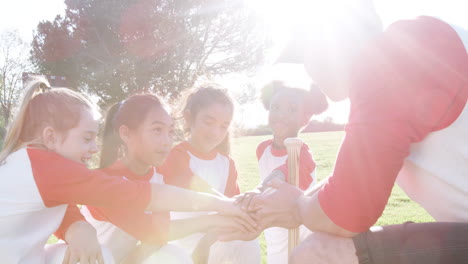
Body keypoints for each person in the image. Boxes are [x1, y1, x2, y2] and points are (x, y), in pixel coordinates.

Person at [219, 1, 468, 263]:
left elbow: (347, 214)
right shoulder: (413, 46)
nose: (310, 71)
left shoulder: (390, 60)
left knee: (317, 254)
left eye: (309, 54)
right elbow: (345, 185)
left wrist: (296, 207)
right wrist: (285, 202)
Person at [0, 77, 254, 263]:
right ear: (51, 137)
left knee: (170, 256)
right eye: (87, 138)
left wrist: (77, 227)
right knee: (102, 256)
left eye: (170, 132)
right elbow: (141, 197)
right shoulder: (45, 167)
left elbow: (62, 206)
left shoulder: (37, 168)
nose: (94, 147)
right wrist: (220, 211)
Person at [81, 94, 253, 263]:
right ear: (126, 133)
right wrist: (214, 219)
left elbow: (157, 238)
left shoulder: (158, 177)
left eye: (170, 132)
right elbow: (148, 230)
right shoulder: (103, 183)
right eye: (157, 130)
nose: (166, 141)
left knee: (172, 255)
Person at [160, 84, 261, 264]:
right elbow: (202, 193)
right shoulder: (175, 156)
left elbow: (233, 210)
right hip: (183, 241)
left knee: (246, 241)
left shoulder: (226, 163)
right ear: (188, 117)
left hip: (216, 236)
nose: (216, 132)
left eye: (224, 126)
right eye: (209, 122)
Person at [237, 80, 327, 264]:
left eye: (292, 110)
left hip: (300, 236)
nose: (281, 115)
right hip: (274, 232)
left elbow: (283, 174)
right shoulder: (262, 149)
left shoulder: (302, 152)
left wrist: (260, 190)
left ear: (305, 118)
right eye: (275, 107)